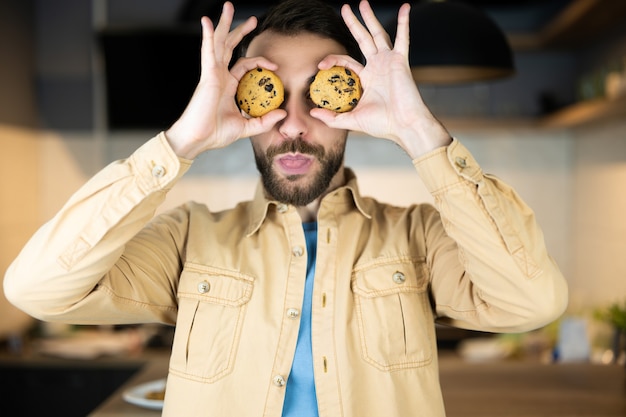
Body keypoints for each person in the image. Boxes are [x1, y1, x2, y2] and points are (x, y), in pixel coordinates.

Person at [4, 0, 568, 416]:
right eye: (273, 93)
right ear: (242, 99)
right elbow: (37, 289)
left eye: (319, 93)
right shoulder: (189, 239)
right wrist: (180, 142)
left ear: (355, 99)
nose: (294, 125)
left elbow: (531, 301)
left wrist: (420, 132)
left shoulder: (417, 237)